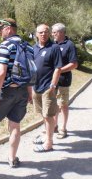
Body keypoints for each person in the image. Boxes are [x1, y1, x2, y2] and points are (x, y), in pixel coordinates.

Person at [0, 18, 33, 168]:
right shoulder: (28, 46)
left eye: (1, 28)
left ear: (9, 28)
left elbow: (1, 71)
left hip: (6, 90)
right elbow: (30, 71)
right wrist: (29, 91)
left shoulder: (6, 45)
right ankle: (12, 158)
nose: (0, 31)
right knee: (15, 125)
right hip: (22, 91)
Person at [32, 24, 62, 152]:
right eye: (40, 32)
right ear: (36, 34)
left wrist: (53, 85)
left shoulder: (54, 48)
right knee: (43, 115)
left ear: (49, 33)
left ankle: (49, 143)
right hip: (35, 87)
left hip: (47, 88)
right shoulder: (33, 48)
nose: (43, 34)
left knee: (49, 116)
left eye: (45, 32)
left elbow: (58, 68)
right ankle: (46, 136)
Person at [52, 23, 78, 139]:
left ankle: (63, 128)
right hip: (52, 81)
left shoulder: (69, 45)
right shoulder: (53, 44)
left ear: (61, 32)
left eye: (54, 32)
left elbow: (74, 64)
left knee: (63, 105)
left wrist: (59, 71)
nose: (52, 34)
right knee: (54, 105)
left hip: (63, 80)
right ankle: (54, 126)